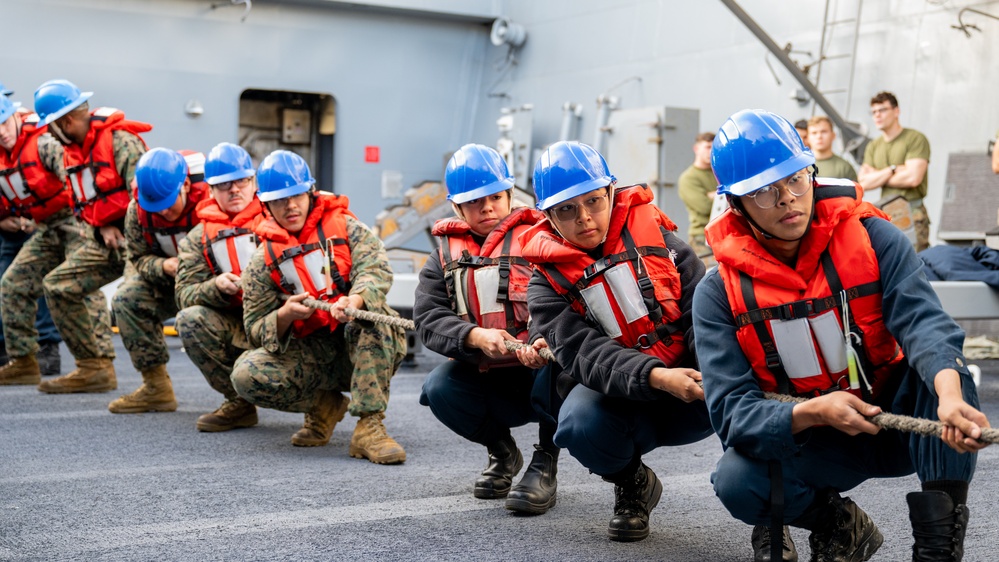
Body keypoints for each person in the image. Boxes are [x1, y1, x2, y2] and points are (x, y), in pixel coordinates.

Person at [694, 109, 989, 562]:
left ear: (812, 173)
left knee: (950, 375)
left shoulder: (876, 238)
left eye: (796, 180)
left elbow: (924, 322)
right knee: (737, 480)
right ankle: (838, 523)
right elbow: (732, 413)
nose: (789, 199)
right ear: (736, 205)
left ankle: (938, 551)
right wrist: (814, 413)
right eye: (765, 193)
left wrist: (948, 396)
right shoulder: (717, 294)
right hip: (816, 435)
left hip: (894, 422)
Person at [520, 141, 712, 542]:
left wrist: (713, 376)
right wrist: (658, 376)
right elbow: (582, 353)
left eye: (593, 201)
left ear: (611, 193)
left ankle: (771, 518)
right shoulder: (545, 283)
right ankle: (633, 482)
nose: (585, 218)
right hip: (618, 394)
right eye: (567, 209)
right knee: (576, 423)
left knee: (749, 400)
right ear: (549, 217)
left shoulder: (664, 242)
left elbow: (702, 313)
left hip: (693, 390)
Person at [232, 150, 408, 463]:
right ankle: (323, 405)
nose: (290, 206)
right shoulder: (262, 261)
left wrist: (354, 300)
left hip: (362, 346)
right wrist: (285, 315)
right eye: (279, 200)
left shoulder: (349, 229)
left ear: (311, 192)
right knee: (246, 375)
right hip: (311, 351)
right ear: (265, 205)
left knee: (374, 320)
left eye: (297, 196)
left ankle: (369, 426)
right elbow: (255, 329)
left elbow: (376, 270)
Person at [416, 144, 559, 514]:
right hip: (488, 374)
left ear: (511, 194)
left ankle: (545, 463)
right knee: (438, 388)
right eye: (475, 201)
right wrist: (475, 337)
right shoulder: (442, 258)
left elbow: (565, 301)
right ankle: (502, 451)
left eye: (496, 196)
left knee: (566, 368)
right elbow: (427, 318)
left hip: (540, 371)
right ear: (457, 208)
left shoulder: (542, 241)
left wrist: (540, 339)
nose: (488, 207)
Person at [32, 79, 150, 394]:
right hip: (106, 241)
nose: (47, 134)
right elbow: (84, 204)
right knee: (57, 286)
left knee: (129, 298)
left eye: (49, 127)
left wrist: (123, 231)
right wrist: (101, 227)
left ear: (64, 122)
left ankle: (155, 385)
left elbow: (146, 205)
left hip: (141, 245)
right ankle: (93, 368)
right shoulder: (73, 152)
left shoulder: (121, 143)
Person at [106, 148, 208, 413]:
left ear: (185, 186)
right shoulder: (136, 210)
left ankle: (239, 398)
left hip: (210, 283)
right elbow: (138, 257)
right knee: (126, 300)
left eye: (168, 203)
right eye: (156, 207)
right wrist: (163, 265)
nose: (163, 213)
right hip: (167, 279)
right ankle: (156, 388)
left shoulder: (211, 201)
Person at [175, 142, 266, 432]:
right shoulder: (198, 237)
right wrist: (215, 286)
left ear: (253, 183)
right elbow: (183, 294)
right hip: (235, 321)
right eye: (224, 185)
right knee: (189, 320)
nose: (234, 190)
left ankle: (320, 407)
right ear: (211, 190)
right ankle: (238, 402)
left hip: (280, 322)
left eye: (241, 181)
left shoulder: (278, 217)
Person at [0, 93, 67, 384]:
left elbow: (72, 177)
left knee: (42, 284)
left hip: (51, 223)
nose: (1, 132)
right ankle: (13, 352)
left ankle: (48, 348)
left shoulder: (42, 144)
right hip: (9, 227)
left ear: (14, 115)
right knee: (8, 283)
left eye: (3, 122)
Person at [858, 91, 931, 251]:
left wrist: (878, 175)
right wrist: (893, 169)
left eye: (882, 110)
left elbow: (913, 178)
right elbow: (863, 183)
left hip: (912, 212)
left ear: (896, 111)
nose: (877, 115)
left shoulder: (915, 139)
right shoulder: (874, 146)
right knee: (889, 260)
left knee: (916, 260)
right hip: (885, 214)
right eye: (874, 112)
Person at [677, 132, 717, 264]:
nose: (711, 151)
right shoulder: (688, 178)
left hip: (724, 233)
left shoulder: (719, 172)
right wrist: (720, 194)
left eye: (714, 147)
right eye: (707, 147)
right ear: (696, 148)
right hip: (702, 238)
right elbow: (704, 207)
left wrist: (712, 194)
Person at [807, 116, 857, 181]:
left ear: (833, 135)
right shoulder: (800, 167)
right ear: (808, 137)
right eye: (814, 133)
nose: (819, 136)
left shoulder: (845, 168)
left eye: (824, 131)